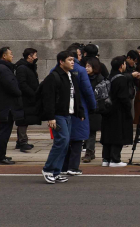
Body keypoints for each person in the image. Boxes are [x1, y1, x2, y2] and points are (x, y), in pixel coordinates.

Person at [39, 50, 79, 183]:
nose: (72, 62)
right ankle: (48, 169)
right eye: (69, 60)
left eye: (73, 60)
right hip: (58, 115)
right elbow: (48, 98)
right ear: (61, 62)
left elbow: (74, 96)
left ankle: (56, 172)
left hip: (67, 114)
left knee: (65, 143)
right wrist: (51, 117)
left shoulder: (71, 75)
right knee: (61, 141)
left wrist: (80, 111)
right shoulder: (53, 77)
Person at [65, 44, 97, 176]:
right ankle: (73, 166)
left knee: (64, 138)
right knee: (77, 138)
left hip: (62, 109)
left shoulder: (56, 70)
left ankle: (63, 165)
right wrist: (93, 106)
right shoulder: (80, 70)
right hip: (79, 108)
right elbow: (88, 91)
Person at [100, 56, 134, 167]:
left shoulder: (109, 77)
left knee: (108, 134)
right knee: (118, 134)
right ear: (121, 66)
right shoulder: (121, 79)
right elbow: (123, 98)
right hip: (118, 111)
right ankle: (115, 159)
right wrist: (128, 109)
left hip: (107, 110)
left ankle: (106, 158)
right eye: (124, 64)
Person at [0, 47, 22, 165]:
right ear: (4, 56)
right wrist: (19, 92)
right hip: (7, 106)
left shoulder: (1, 68)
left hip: (3, 105)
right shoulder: (4, 69)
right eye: (10, 54)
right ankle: (0, 157)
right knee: (4, 131)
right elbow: (11, 86)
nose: (12, 55)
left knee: (2, 130)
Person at [14, 48, 40, 152]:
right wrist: (33, 94)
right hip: (25, 99)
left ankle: (20, 141)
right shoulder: (22, 68)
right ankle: (22, 142)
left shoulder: (29, 67)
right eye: (35, 55)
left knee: (25, 120)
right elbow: (22, 84)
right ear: (29, 56)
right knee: (23, 120)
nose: (36, 57)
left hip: (29, 98)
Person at [83, 55, 105, 163]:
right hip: (85, 108)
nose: (86, 68)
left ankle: (89, 152)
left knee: (91, 132)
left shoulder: (99, 79)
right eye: (86, 66)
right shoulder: (84, 77)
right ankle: (90, 152)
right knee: (87, 132)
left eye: (89, 66)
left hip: (95, 109)